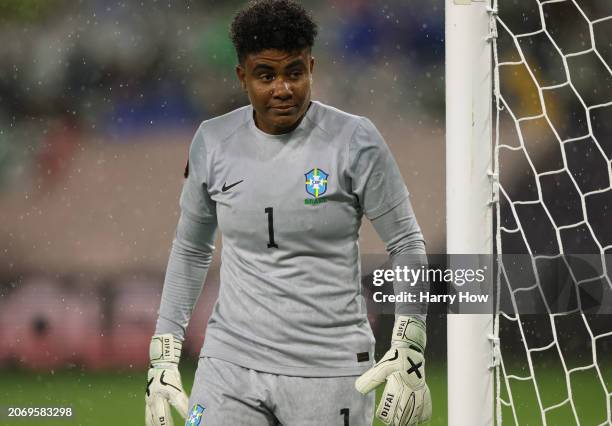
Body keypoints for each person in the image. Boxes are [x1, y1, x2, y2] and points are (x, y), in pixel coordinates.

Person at [144, 1, 431, 425]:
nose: (283, 89)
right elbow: (190, 250)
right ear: (242, 77)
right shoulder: (212, 142)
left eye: (294, 72)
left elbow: (406, 243)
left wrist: (410, 342)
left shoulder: (355, 140)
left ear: (311, 67)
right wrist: (163, 350)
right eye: (266, 75)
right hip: (231, 362)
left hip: (331, 367)